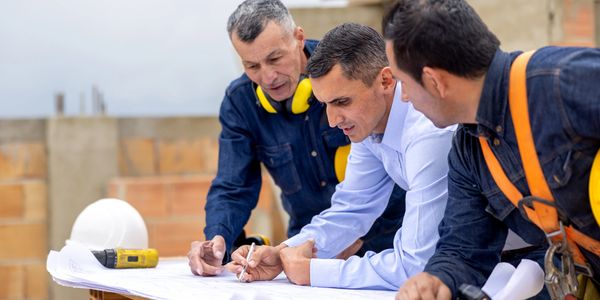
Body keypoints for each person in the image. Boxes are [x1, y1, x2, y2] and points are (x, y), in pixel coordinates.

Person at [382, 0, 600, 299]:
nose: (404, 97)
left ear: (434, 81)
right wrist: (436, 280)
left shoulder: (563, 81)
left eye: (404, 83)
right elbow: (463, 250)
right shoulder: (467, 152)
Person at [227, 23, 455, 291]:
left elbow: (415, 266)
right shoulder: (369, 124)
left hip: (505, 268)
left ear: (385, 80)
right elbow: (352, 208)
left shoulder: (428, 133)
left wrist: (315, 271)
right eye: (325, 105)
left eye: (342, 102)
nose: (333, 121)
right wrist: (283, 253)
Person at [187, 0, 406, 277]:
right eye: (252, 65)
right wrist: (218, 239)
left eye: (275, 59)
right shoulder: (240, 102)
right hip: (307, 246)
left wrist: (349, 235)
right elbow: (233, 185)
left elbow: (383, 171)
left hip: (387, 244)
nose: (267, 77)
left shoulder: (345, 76)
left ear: (299, 38)